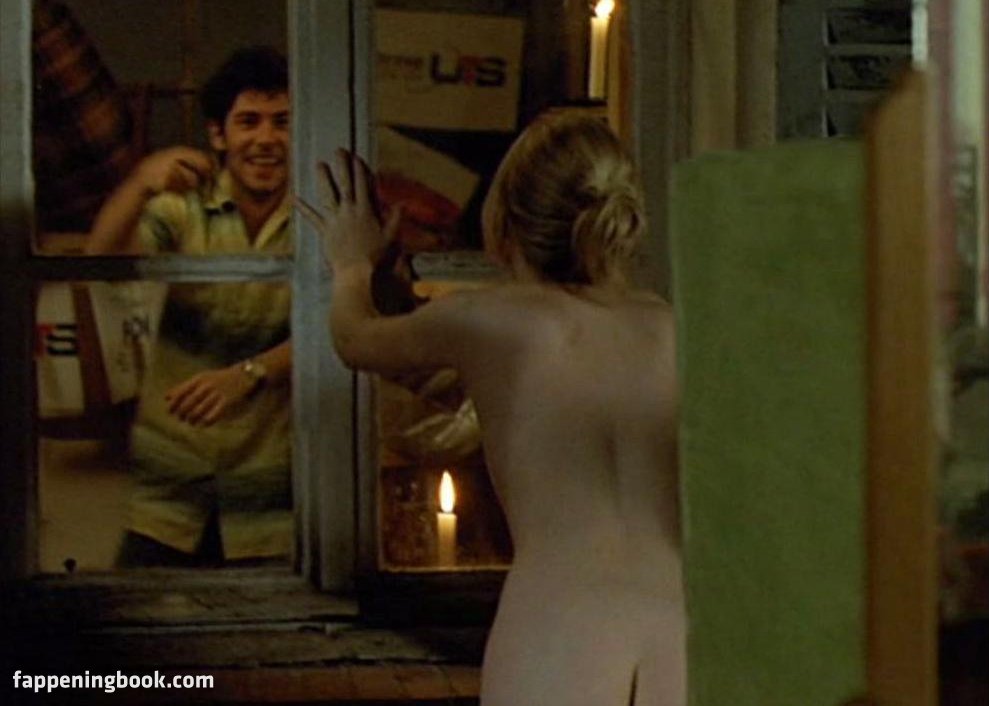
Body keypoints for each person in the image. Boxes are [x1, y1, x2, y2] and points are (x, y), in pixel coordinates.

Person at [298, 114, 685, 705]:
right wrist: (397, 293)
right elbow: (501, 394)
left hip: (562, 616)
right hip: (682, 616)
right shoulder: (667, 324)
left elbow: (355, 339)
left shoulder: (492, 319)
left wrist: (351, 265)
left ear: (505, 221)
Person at [87, 46, 293, 567]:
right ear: (218, 135)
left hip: (270, 495)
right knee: (138, 614)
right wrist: (141, 182)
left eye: (282, 122)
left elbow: (344, 322)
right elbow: (102, 261)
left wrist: (250, 373)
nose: (266, 139)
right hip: (167, 489)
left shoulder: (319, 217)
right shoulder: (185, 206)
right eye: (248, 121)